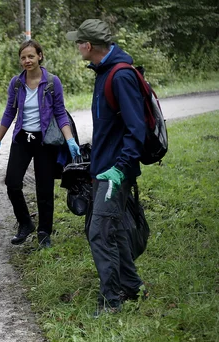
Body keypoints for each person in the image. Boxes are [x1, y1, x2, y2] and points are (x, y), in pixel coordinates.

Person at [66, 19, 147, 316]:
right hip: (103, 168)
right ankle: (133, 287)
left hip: (116, 172)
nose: (77, 46)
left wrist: (119, 168)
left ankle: (112, 301)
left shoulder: (119, 76)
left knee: (99, 233)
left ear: (88, 46)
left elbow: (136, 128)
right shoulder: (103, 73)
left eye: (79, 42)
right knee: (117, 231)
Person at [0, 39, 81, 248]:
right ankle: (25, 223)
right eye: (23, 57)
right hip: (23, 138)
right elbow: (9, 112)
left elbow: (60, 112)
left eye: (31, 56)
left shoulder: (52, 82)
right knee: (12, 183)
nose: (27, 60)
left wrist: (70, 140)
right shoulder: (16, 83)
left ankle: (44, 232)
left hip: (45, 141)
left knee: (44, 188)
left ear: (40, 56)